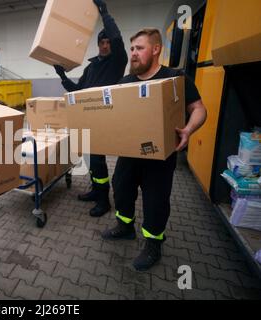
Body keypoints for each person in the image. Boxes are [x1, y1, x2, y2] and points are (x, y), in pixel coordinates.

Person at [101, 28, 207, 271]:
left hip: (160, 158)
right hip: (129, 155)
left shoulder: (174, 79)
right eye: (132, 49)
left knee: (156, 201)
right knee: (121, 188)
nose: (133, 54)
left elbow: (199, 109)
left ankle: (153, 244)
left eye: (139, 48)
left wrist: (188, 130)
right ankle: (125, 227)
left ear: (156, 49)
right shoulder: (124, 83)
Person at [54, 0, 128, 217]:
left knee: (97, 160)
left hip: (104, 120)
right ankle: (97, 191)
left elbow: (117, 37)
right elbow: (77, 90)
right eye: (101, 42)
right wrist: (62, 76)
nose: (105, 45)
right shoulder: (91, 66)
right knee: (93, 160)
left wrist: (104, 12)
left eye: (107, 42)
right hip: (88, 121)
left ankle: (104, 201)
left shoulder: (117, 61)